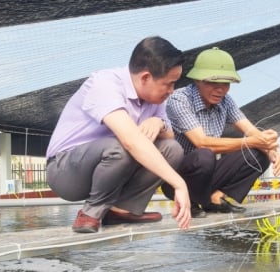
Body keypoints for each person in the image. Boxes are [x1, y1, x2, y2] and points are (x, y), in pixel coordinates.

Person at [46, 36, 191, 233]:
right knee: (121, 147)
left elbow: (170, 139)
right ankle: (90, 213)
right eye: (169, 83)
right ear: (146, 77)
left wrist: (158, 123)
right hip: (66, 171)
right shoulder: (105, 84)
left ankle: (121, 210)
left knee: (172, 150)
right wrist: (179, 184)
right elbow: (131, 141)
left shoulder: (155, 99)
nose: (172, 91)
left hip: (111, 166)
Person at [163, 47, 280, 217]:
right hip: (178, 178)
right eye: (213, 83)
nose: (220, 90)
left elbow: (251, 131)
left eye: (225, 84)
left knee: (258, 154)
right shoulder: (179, 99)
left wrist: (270, 150)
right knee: (204, 155)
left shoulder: (225, 101)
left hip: (207, 176)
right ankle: (191, 202)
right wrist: (253, 141)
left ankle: (215, 197)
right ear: (197, 80)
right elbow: (201, 142)